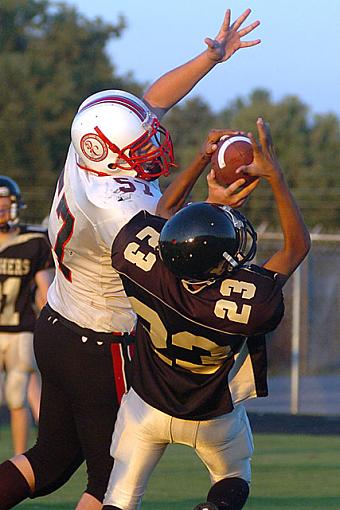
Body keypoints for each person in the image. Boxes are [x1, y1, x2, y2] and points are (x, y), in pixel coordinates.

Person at [0, 8, 262, 510]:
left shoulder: (89, 147)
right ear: (108, 154)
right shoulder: (119, 205)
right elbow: (179, 255)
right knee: (109, 483)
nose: (152, 147)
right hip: (104, 343)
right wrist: (215, 203)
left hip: (57, 323)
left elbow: (152, 101)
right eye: (139, 147)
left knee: (50, 460)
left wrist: (210, 57)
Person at [101, 118, 311, 510]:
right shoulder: (245, 302)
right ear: (221, 266)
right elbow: (296, 247)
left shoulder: (140, 258)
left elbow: (164, 210)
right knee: (233, 477)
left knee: (121, 497)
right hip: (212, 414)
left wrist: (201, 160)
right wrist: (277, 178)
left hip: (146, 404)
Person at [0, 176, 54, 455]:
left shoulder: (33, 240)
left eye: (3, 201)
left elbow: (44, 286)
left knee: (17, 396)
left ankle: (19, 461)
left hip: (20, 329)